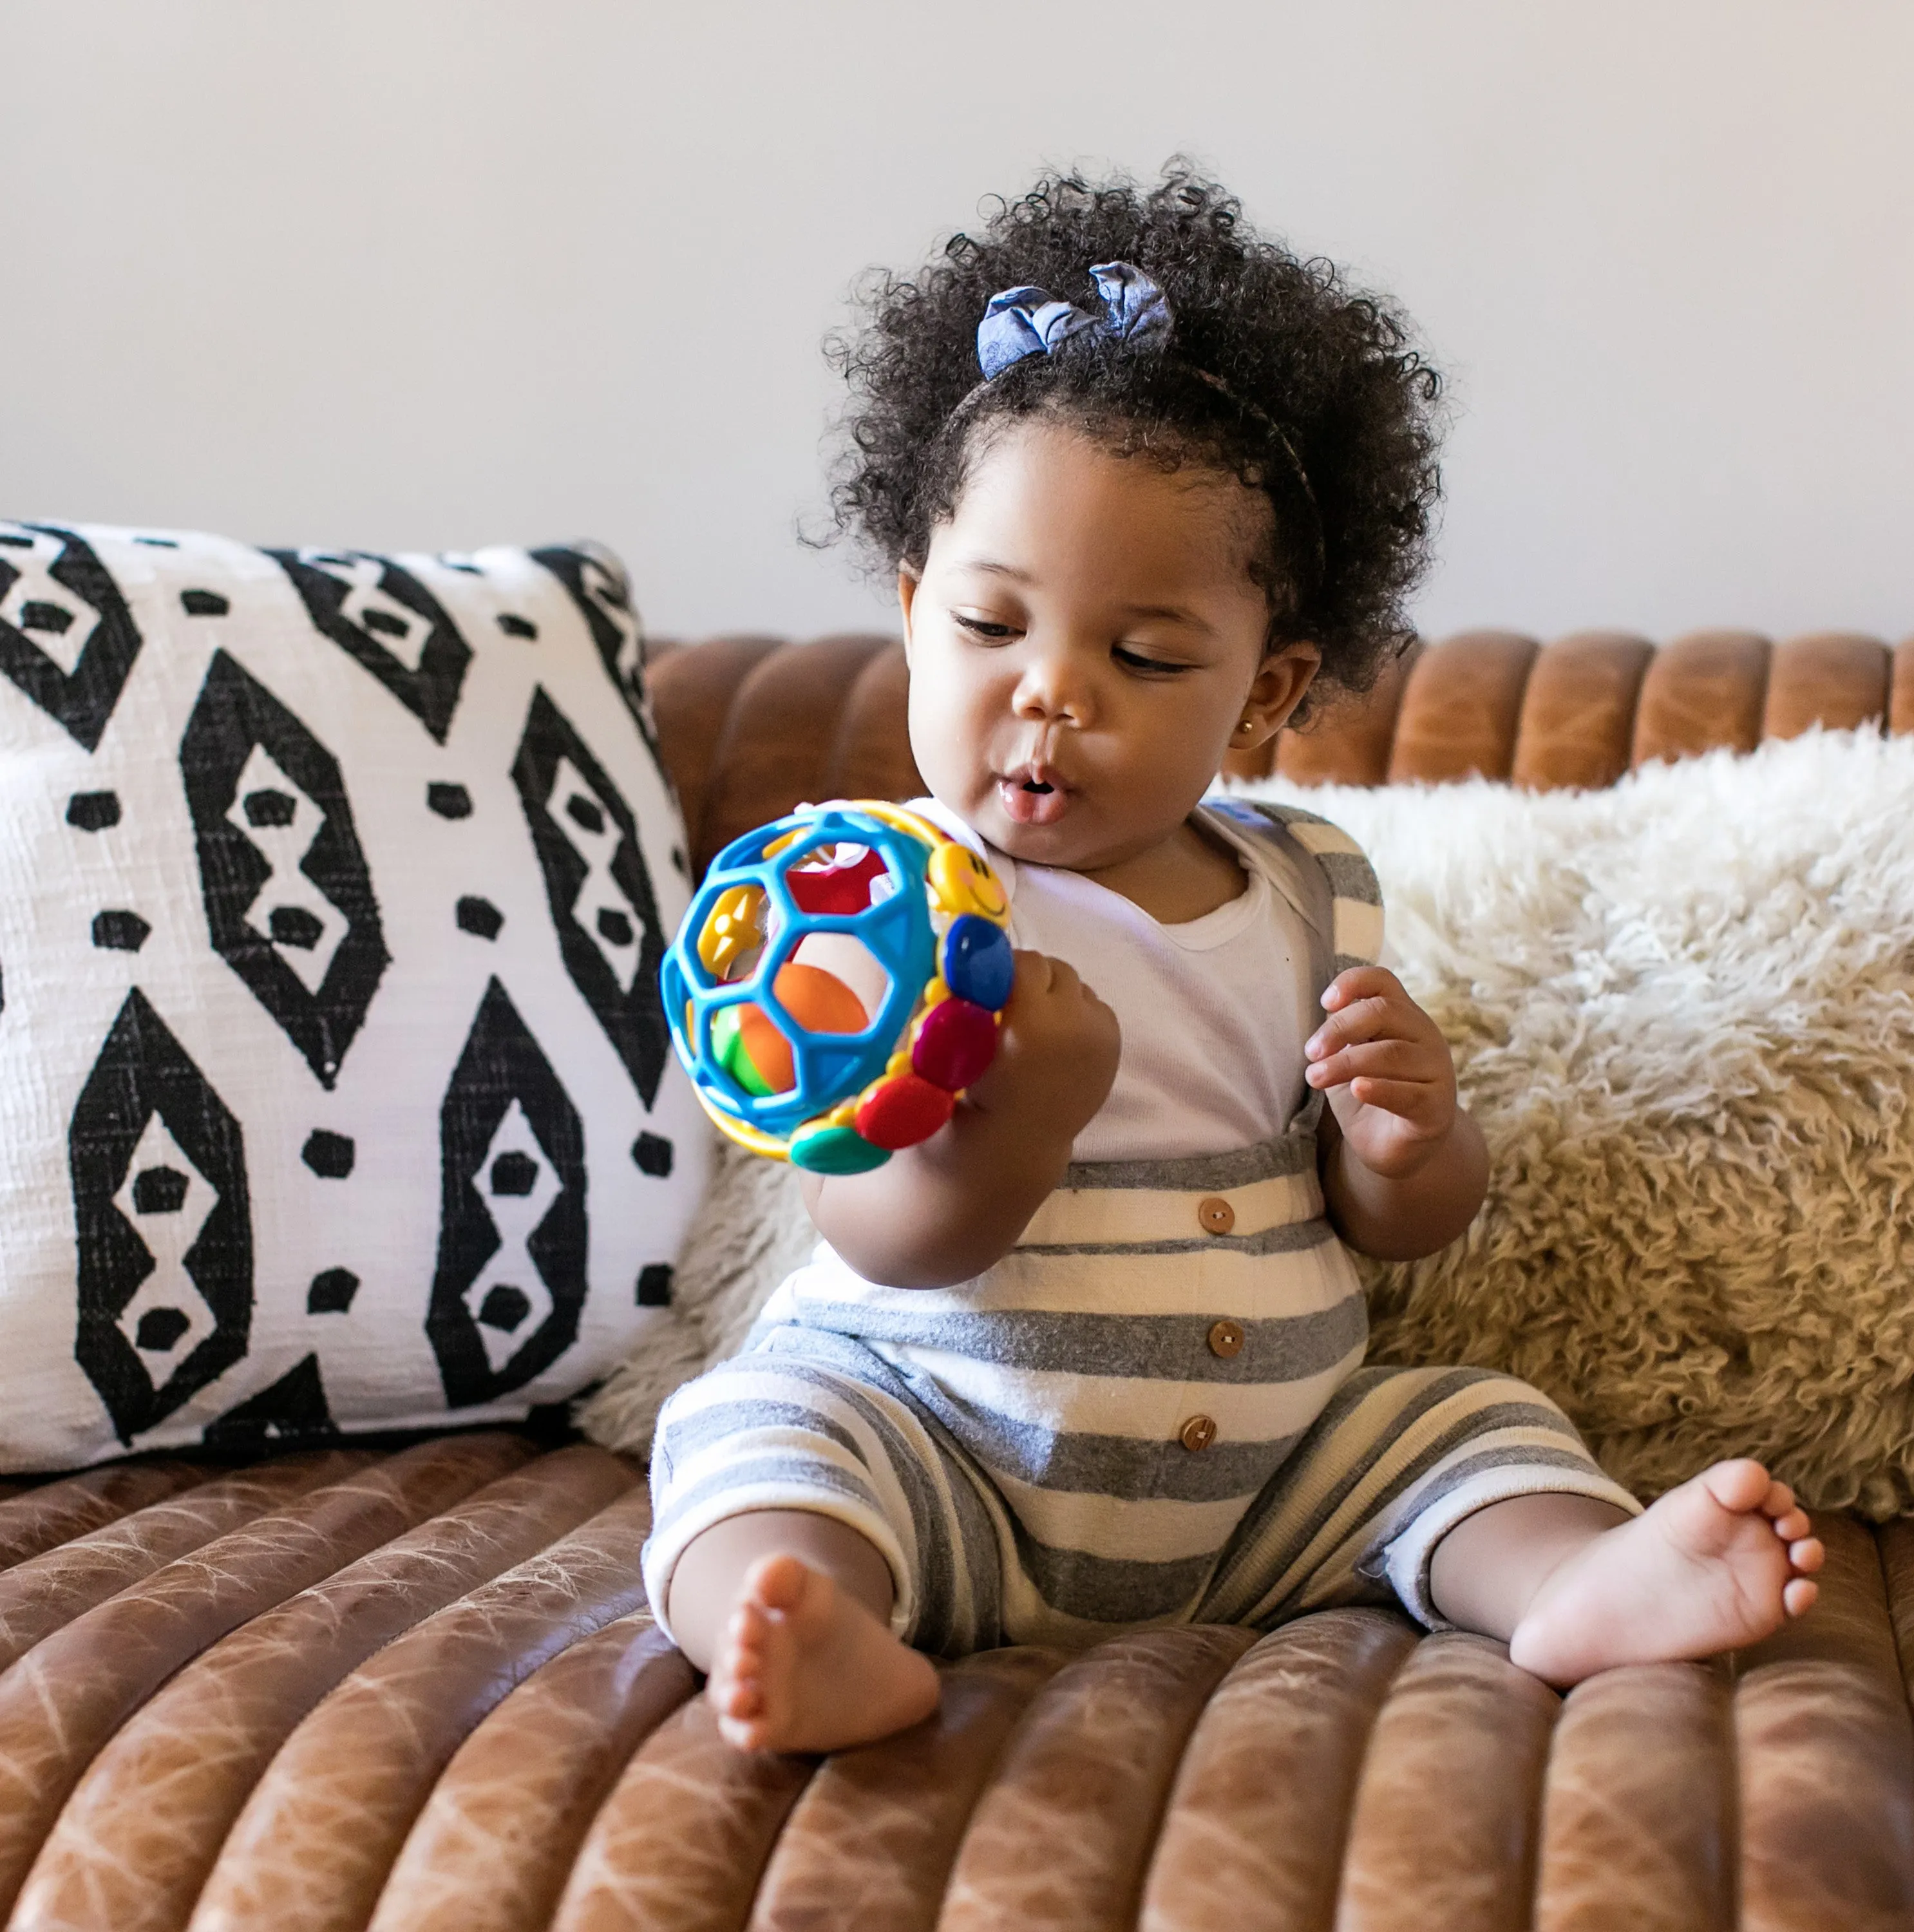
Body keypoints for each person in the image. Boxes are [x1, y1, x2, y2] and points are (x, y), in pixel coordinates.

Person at [643, 166, 1824, 1754]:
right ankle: (817, 1627)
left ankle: (1570, 1583)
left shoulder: (1312, 888)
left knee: (1464, 1427)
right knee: (755, 1446)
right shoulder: (877, 896)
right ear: (916, 613)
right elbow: (876, 1237)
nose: (1051, 695)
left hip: (1270, 1481)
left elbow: (1389, 1225)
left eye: (1143, 656)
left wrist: (1414, 1137)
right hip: (944, 1441)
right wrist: (1021, 1123)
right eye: (993, 629)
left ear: (1266, 696)